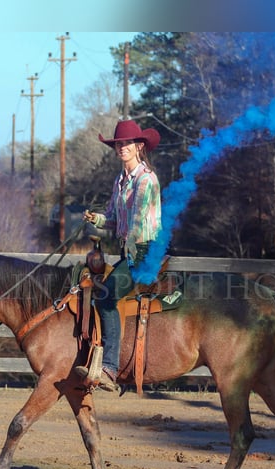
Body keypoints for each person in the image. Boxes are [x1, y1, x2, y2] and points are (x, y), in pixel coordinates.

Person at [76, 119, 162, 392]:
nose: (121, 148)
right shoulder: (120, 180)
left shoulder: (146, 179)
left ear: (139, 147)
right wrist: (97, 219)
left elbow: (137, 219)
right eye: (118, 144)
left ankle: (110, 368)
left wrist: (131, 245)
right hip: (129, 251)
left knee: (106, 297)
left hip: (145, 250)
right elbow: (115, 219)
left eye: (126, 144)